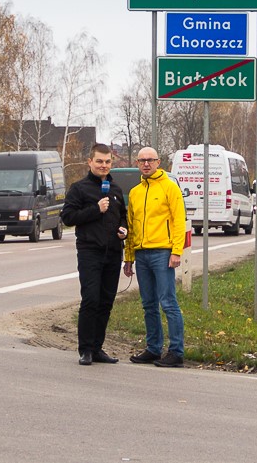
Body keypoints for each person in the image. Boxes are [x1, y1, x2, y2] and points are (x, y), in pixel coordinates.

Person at [60, 143, 127, 366]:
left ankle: (98, 348)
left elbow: (123, 217)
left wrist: (123, 230)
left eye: (107, 162)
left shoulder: (115, 190)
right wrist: (95, 210)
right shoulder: (79, 189)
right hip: (90, 252)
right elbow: (68, 217)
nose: (103, 165)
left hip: (113, 253)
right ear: (90, 162)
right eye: (99, 161)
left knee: (106, 301)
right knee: (91, 299)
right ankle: (85, 350)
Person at [123, 146, 187, 368]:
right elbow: (130, 226)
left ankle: (176, 351)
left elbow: (179, 220)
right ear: (137, 164)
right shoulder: (135, 192)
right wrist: (129, 257)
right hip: (141, 254)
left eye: (150, 160)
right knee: (148, 304)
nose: (146, 164)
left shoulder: (170, 188)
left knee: (168, 302)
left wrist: (176, 251)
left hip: (163, 252)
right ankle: (153, 348)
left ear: (159, 162)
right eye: (142, 161)